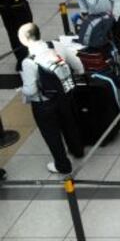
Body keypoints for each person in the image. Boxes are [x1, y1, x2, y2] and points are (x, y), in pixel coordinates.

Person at [18, 22, 85, 175]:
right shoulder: (56, 45)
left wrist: (22, 90)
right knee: (70, 123)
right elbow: (77, 64)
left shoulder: (28, 61)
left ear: (24, 40)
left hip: (44, 104)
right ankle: (77, 149)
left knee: (52, 134)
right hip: (65, 94)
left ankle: (63, 165)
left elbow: (31, 90)